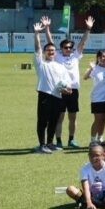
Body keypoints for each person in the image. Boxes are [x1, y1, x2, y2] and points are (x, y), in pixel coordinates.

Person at [43, 15, 93, 148]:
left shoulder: (76, 56)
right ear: (61, 48)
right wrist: (47, 27)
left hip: (74, 90)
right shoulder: (57, 56)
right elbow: (50, 41)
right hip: (60, 90)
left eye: (70, 47)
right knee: (60, 117)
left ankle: (71, 140)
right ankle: (58, 141)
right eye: (66, 47)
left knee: (73, 117)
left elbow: (82, 43)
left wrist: (88, 29)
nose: (68, 49)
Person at [32, 19, 73, 153]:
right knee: (42, 121)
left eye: (53, 50)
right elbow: (37, 48)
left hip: (57, 96)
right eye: (48, 50)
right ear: (45, 52)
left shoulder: (60, 66)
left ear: (56, 52)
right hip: (45, 94)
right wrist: (37, 34)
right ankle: (41, 144)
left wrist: (68, 89)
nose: (51, 52)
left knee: (54, 121)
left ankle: (50, 143)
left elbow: (66, 83)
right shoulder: (41, 64)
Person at [65, 144, 105, 209]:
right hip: (91, 195)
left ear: (103, 156)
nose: (94, 158)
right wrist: (89, 202)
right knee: (70, 189)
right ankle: (91, 204)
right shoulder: (85, 168)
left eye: (97, 155)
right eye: (91, 156)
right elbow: (86, 187)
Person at [83, 50, 105, 143]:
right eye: (102, 56)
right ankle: (93, 140)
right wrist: (91, 68)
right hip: (97, 98)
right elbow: (85, 77)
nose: (104, 58)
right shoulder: (95, 68)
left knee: (103, 120)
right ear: (98, 58)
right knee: (97, 120)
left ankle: (100, 138)